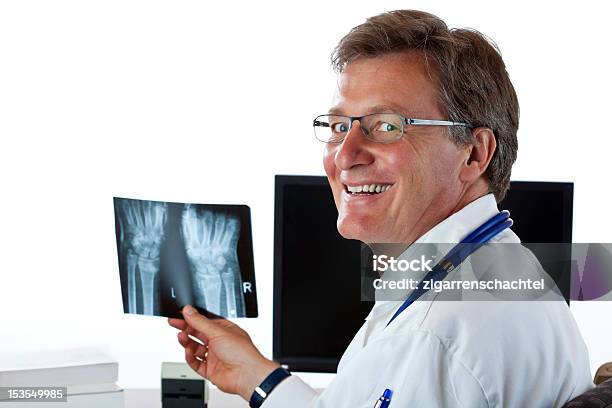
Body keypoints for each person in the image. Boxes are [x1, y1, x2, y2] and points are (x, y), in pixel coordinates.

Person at [168, 10, 592, 407]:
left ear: (474, 154)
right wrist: (258, 378)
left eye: (387, 126)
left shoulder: (439, 334)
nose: (345, 154)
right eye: (338, 127)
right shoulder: (489, 275)